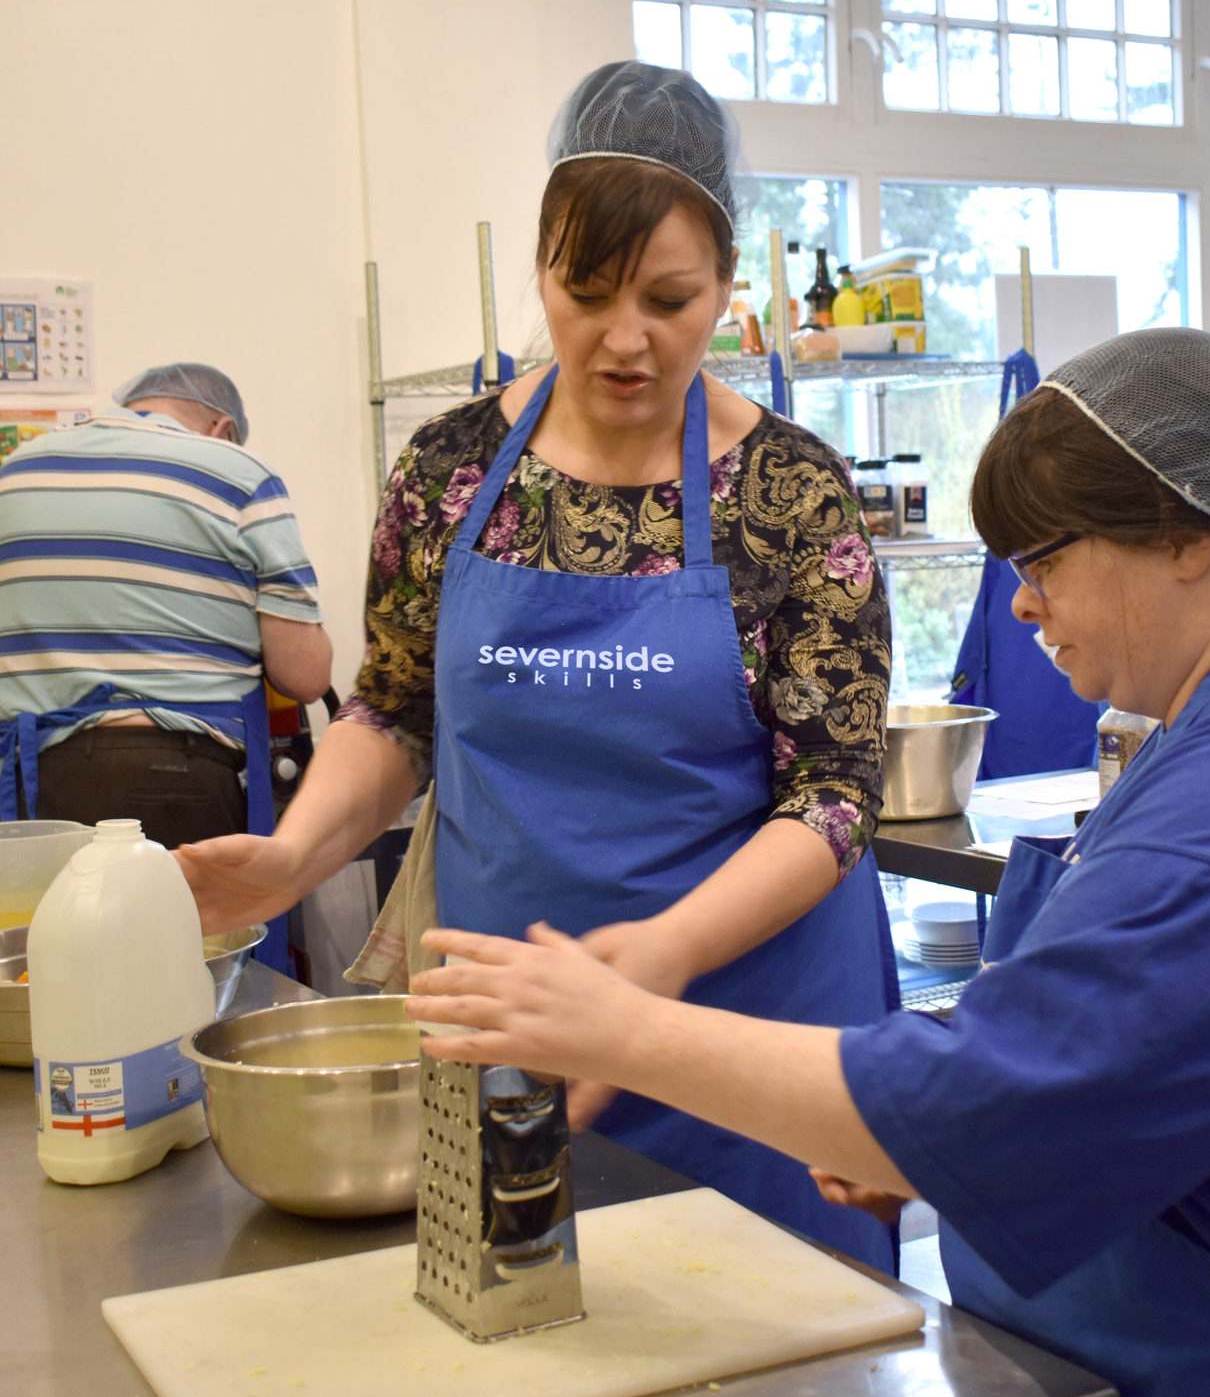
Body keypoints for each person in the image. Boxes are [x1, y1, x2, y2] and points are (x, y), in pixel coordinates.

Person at [404, 329, 1210, 1397]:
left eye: (1045, 561)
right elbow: (1147, 1068)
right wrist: (947, 1165)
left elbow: (1003, 1093)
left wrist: (624, 1030)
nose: (1020, 609)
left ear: (1183, 533)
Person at [176, 62, 899, 1271]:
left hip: (747, 1037)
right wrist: (295, 856)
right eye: (586, 290)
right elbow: (397, 708)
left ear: (728, 285)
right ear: (541, 263)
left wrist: (657, 964)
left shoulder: (789, 493)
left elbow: (832, 797)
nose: (625, 341)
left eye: (671, 300)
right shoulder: (452, 469)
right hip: (513, 1034)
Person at [0, 362, 331, 848]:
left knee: (47, 926)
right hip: (172, 771)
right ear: (224, 428)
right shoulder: (237, 471)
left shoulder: (18, 468)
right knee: (182, 926)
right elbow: (303, 676)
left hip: (28, 775)